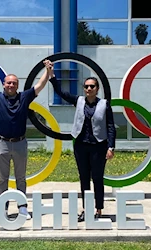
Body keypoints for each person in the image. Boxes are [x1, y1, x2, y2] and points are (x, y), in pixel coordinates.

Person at [0, 58, 52, 220]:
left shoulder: (25, 97)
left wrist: (48, 72)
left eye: (14, 83)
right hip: (1, 143)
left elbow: (40, 85)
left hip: (20, 143)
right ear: (3, 84)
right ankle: (3, 208)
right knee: (3, 179)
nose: (11, 85)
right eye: (8, 83)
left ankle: (22, 207)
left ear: (17, 85)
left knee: (21, 178)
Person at [47, 62, 116, 222]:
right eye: (86, 86)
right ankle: (86, 209)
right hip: (81, 145)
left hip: (99, 146)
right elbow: (60, 92)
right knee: (84, 177)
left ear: (97, 88)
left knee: (98, 177)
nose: (89, 89)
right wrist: (51, 74)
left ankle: (98, 210)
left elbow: (111, 126)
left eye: (92, 86)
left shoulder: (104, 104)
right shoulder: (78, 101)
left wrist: (111, 146)